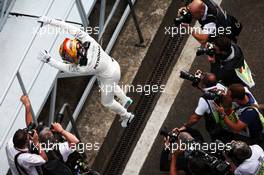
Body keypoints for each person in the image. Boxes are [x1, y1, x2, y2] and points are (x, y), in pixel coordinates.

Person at [37, 16, 134, 128]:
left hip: (110, 77)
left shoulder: (84, 67)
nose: (67, 58)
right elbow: (70, 27)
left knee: (107, 102)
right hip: (114, 66)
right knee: (105, 83)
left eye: (67, 56)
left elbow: (65, 67)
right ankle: (125, 99)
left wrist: (49, 60)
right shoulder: (89, 41)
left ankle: (127, 116)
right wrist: (51, 20)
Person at [176, 72, 233, 141]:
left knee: (217, 139)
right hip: (230, 116)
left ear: (204, 84)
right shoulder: (220, 84)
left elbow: (195, 118)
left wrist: (185, 126)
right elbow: (210, 87)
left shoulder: (204, 99)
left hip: (217, 126)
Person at [5, 95, 48, 175]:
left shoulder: (10, 143)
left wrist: (27, 106)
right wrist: (36, 143)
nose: (28, 132)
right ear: (25, 144)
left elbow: (28, 128)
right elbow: (44, 159)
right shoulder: (26, 158)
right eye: (28, 137)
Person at [178, 0, 242, 44]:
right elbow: (194, 6)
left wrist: (188, 28)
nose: (192, 16)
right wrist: (185, 9)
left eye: (193, 14)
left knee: (225, 51)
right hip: (225, 20)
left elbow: (203, 40)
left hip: (225, 36)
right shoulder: (201, 4)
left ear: (201, 13)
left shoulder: (210, 21)